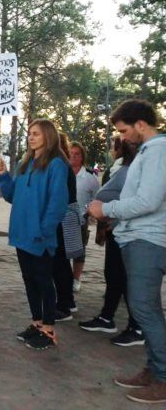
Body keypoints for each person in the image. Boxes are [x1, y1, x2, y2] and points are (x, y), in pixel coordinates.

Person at [86, 99, 166, 404]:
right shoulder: (149, 151)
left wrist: (105, 208)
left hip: (149, 239)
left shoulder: (157, 150)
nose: (122, 137)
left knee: (144, 307)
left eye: (123, 130)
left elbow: (148, 200)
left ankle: (162, 376)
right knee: (145, 307)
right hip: (139, 237)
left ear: (141, 125)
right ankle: (155, 368)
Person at [0, 119, 68, 350]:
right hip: (21, 233)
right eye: (29, 133)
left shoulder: (56, 164)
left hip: (39, 236)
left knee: (44, 282)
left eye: (36, 133)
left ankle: (49, 330)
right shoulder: (26, 164)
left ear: (48, 135)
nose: (31, 137)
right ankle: (36, 323)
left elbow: (57, 203)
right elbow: (11, 196)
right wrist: (4, 175)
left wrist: (44, 231)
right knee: (30, 281)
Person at [78, 137, 144, 346]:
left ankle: (137, 328)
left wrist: (105, 209)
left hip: (130, 231)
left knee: (128, 280)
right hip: (116, 229)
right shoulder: (122, 168)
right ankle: (107, 317)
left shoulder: (135, 170)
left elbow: (138, 202)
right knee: (113, 275)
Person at [52, 133, 78, 321]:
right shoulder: (63, 163)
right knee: (62, 262)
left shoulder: (58, 164)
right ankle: (67, 301)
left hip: (62, 217)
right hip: (68, 216)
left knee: (59, 262)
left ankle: (63, 306)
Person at [68, 141, 100, 292]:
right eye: (70, 153)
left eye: (77, 154)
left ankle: (76, 279)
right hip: (60, 219)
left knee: (79, 252)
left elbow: (96, 199)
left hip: (80, 220)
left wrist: (88, 211)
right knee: (62, 252)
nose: (73, 156)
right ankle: (62, 278)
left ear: (82, 157)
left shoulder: (90, 178)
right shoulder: (60, 173)